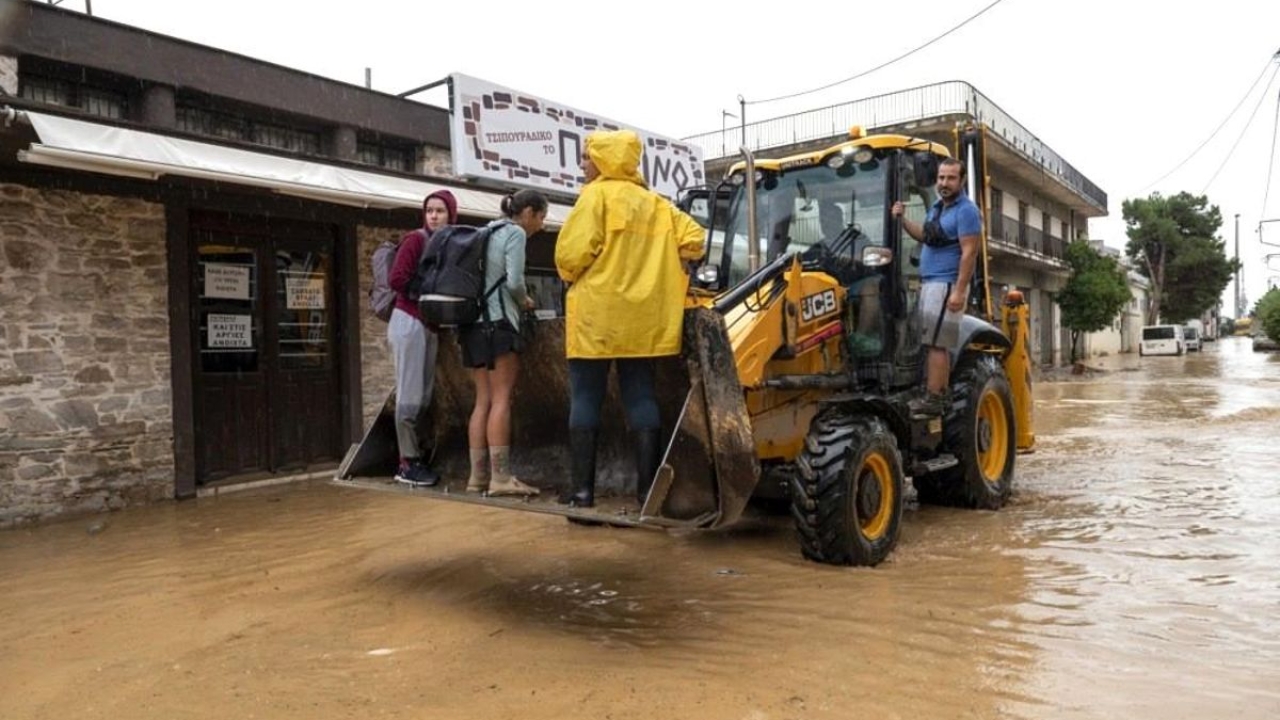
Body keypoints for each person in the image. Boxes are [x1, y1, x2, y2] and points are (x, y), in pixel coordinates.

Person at [554, 129, 705, 508]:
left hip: (597, 317)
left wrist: (575, 276)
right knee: (641, 395)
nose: (583, 164)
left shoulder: (594, 199)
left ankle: (583, 493)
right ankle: (646, 493)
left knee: (586, 397)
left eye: (587, 157)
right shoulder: (657, 204)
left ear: (604, 159)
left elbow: (570, 258)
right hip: (643, 322)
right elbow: (696, 239)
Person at [460, 189, 548, 497]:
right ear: (529, 213)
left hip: (471, 326)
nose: (541, 224)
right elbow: (513, 281)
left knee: (482, 400)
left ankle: (477, 478)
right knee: (501, 400)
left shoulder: (485, 231)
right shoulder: (515, 233)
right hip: (498, 325)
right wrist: (524, 299)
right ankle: (500, 478)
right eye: (541, 217)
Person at [890, 158, 980, 416]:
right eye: (941, 178)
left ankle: (936, 398)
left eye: (951, 178)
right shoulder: (938, 208)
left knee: (938, 344)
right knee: (930, 342)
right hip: (930, 282)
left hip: (947, 283)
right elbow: (926, 236)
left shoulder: (966, 211)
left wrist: (959, 291)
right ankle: (931, 390)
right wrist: (903, 219)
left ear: (961, 180)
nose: (944, 183)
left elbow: (969, 252)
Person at [386, 189, 456, 486]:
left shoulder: (448, 242)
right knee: (410, 394)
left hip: (428, 326)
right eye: (429, 211)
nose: (434, 216)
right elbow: (397, 278)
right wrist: (428, 292)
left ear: (450, 215)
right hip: (410, 321)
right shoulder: (417, 240)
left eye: (440, 211)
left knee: (424, 395)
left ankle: (417, 454)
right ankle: (407, 463)